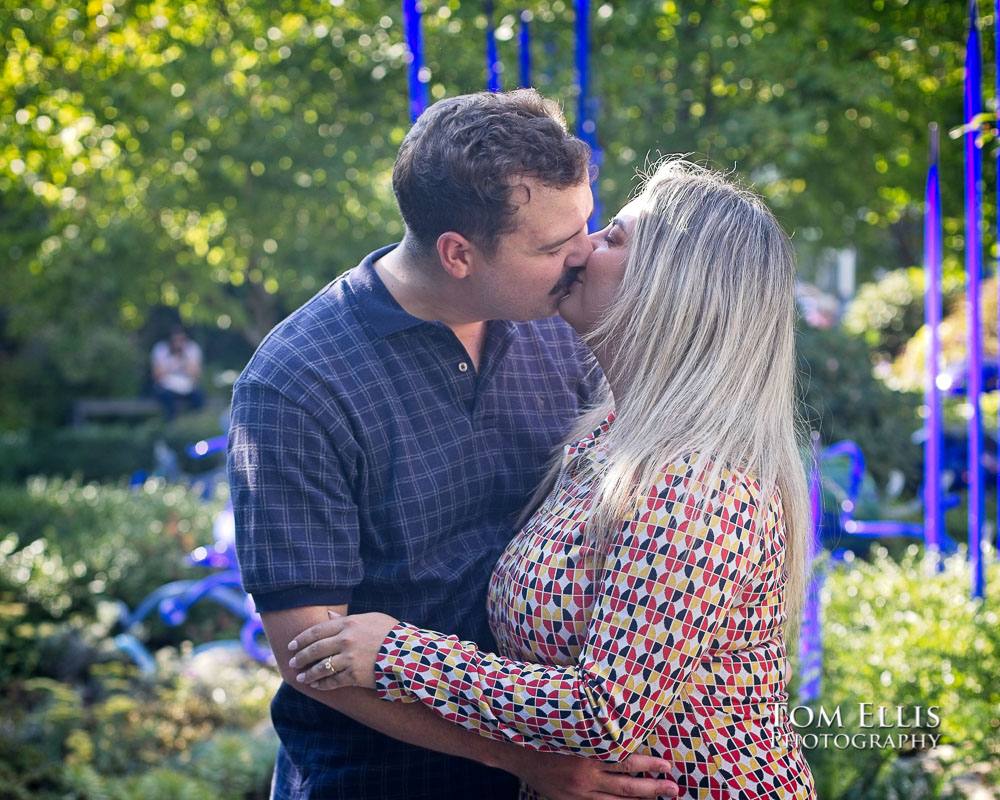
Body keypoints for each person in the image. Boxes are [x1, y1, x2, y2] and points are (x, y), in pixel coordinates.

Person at [284, 159, 818, 799]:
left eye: (613, 236)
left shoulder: (693, 482)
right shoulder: (609, 436)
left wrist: (399, 655)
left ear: (671, 290)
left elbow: (605, 711)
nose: (583, 250)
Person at [228, 89, 679, 800]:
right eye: (555, 244)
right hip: (381, 778)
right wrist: (523, 761)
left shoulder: (559, 321)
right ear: (458, 253)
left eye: (586, 225)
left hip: (559, 755)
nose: (584, 254)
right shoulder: (298, 384)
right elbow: (307, 653)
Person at [151, 326, 205, 420]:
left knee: (199, 398)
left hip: (186, 386)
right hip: (166, 387)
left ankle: (191, 422)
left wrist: (184, 358)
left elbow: (195, 373)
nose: (178, 343)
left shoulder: (192, 348)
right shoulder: (161, 349)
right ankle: (171, 424)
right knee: (167, 399)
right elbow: (157, 374)